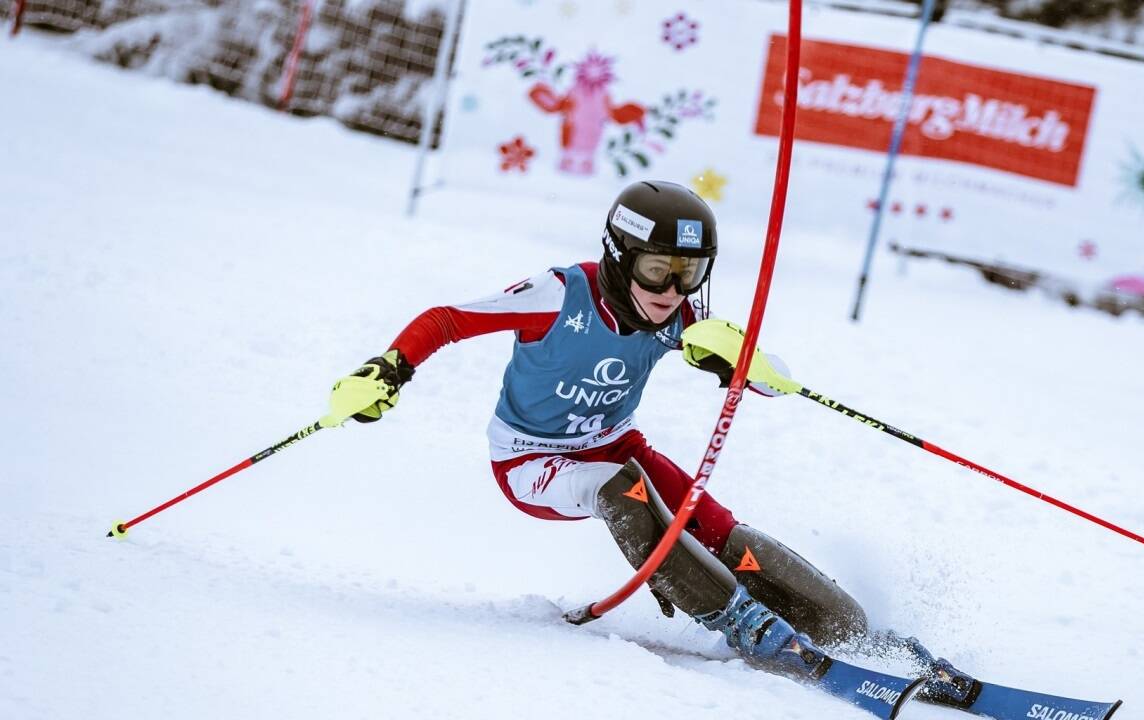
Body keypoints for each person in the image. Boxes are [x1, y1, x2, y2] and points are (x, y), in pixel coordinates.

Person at [325, 180, 977, 703]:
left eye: (689, 273)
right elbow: (448, 319)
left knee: (721, 531)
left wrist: (738, 358)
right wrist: (391, 367)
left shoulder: (684, 314)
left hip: (615, 442)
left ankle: (850, 630)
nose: (671, 291)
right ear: (617, 256)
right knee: (626, 492)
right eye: (657, 269)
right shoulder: (560, 294)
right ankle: (742, 624)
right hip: (532, 460)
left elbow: (768, 381)